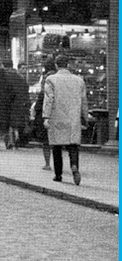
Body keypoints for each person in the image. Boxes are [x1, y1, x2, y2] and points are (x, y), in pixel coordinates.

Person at [42, 53, 88, 185]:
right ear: (68, 65)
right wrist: (85, 117)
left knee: (56, 146)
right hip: (73, 117)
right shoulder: (79, 80)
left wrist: (46, 117)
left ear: (56, 65)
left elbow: (49, 100)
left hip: (57, 116)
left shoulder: (51, 79)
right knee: (73, 145)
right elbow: (84, 102)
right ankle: (74, 166)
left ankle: (58, 174)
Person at [33, 59, 57, 170]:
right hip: (59, 113)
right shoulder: (59, 83)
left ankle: (47, 163)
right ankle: (58, 164)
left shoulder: (45, 84)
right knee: (57, 141)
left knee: (46, 142)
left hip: (45, 115)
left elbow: (41, 101)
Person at [3, 58, 30, 148]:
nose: (24, 70)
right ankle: (16, 136)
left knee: (9, 122)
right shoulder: (20, 78)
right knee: (15, 122)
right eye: (23, 68)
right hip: (19, 103)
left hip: (10, 102)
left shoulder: (6, 76)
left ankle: (11, 141)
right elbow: (25, 90)